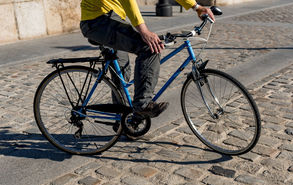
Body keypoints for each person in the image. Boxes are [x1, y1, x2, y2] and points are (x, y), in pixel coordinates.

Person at [80, 0, 215, 118]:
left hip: (110, 18)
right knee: (149, 48)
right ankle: (142, 105)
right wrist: (143, 30)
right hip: (97, 20)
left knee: (122, 72)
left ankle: (124, 122)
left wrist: (196, 6)